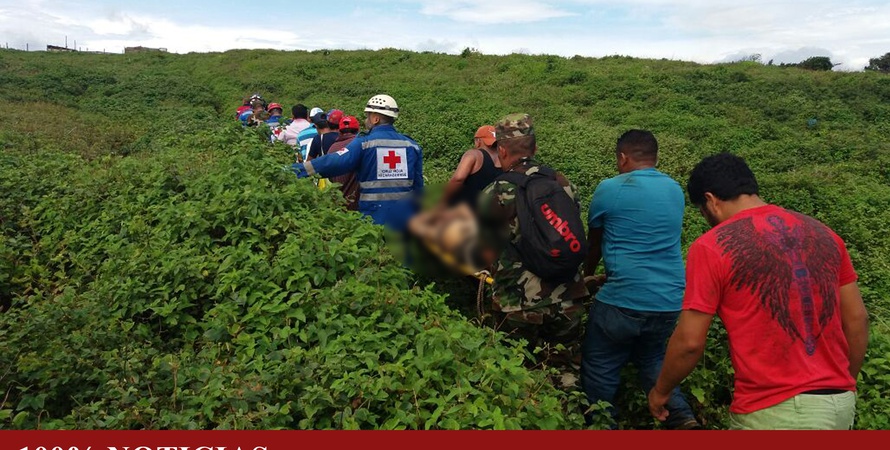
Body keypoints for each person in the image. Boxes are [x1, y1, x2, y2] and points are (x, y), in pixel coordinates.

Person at [648, 152, 869, 430]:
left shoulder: (712, 246)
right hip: (840, 406)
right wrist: (842, 385)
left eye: (703, 213)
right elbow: (857, 320)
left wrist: (661, 391)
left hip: (775, 413)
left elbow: (690, 343)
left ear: (711, 201)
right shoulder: (825, 234)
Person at [580, 129, 699, 429]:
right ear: (655, 158)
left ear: (622, 157)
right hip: (669, 300)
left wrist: (586, 277)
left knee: (601, 366)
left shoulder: (610, 188)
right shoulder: (673, 188)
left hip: (622, 299)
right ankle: (683, 419)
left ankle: (603, 425)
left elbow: (594, 243)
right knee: (653, 359)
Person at [476, 113, 588, 355]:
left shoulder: (495, 192)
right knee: (565, 363)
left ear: (502, 151)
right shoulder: (562, 182)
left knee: (514, 366)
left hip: (517, 303)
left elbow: (484, 249)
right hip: (569, 297)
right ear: (535, 147)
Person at [292, 94, 423, 233]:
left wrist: (297, 170)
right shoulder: (412, 146)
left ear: (375, 118)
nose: (366, 120)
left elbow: (334, 162)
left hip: (373, 222)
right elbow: (418, 188)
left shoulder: (364, 144)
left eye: (367, 116)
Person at [440, 125, 502, 209]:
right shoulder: (504, 158)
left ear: (478, 141)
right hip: (492, 211)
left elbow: (458, 179)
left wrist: (443, 201)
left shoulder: (474, 154)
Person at [327, 115, 361, 210]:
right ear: (358, 130)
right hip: (358, 204)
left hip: (338, 203)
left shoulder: (332, 148)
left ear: (339, 131)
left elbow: (330, 176)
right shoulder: (362, 145)